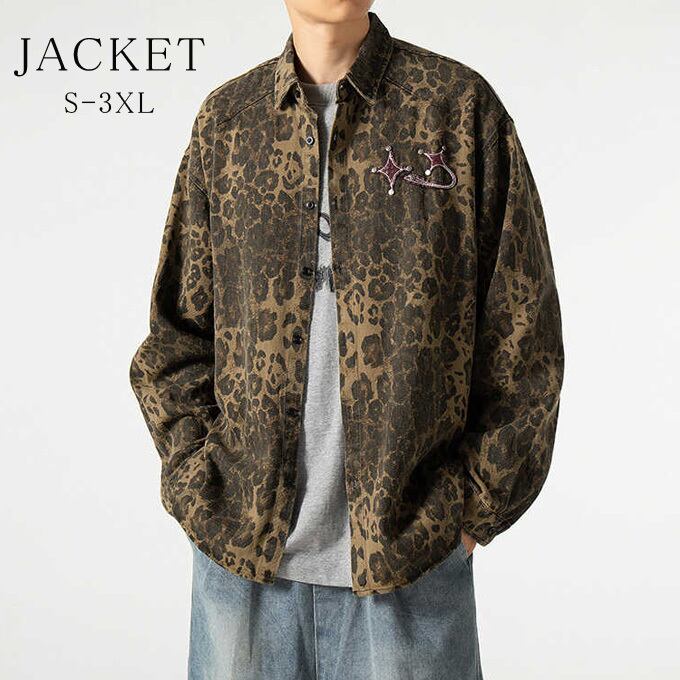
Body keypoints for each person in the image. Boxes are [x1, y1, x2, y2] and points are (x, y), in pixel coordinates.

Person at [129, 2, 564, 678]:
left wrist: (467, 512)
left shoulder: (456, 109)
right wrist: (198, 483)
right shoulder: (229, 123)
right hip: (241, 563)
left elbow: (524, 337)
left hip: (409, 563)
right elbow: (176, 335)